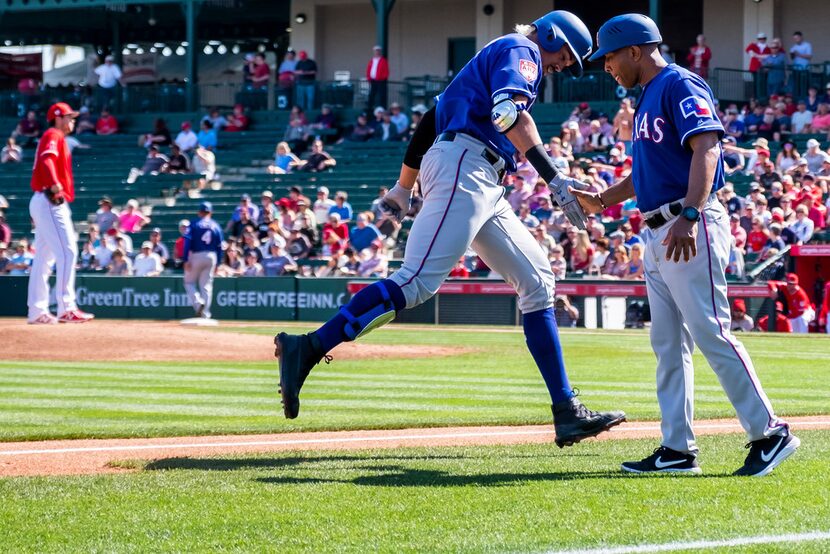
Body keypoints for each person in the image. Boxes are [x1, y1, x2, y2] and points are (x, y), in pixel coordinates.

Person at [273, 10, 625, 449]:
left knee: (538, 282)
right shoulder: (523, 49)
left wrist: (404, 188)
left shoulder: (499, 55)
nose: (562, 67)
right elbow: (507, 113)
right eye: (565, 56)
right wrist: (553, 178)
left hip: (480, 175)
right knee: (416, 283)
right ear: (551, 35)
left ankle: (566, 412)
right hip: (468, 165)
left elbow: (430, 119)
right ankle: (306, 347)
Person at [576, 13, 797, 477]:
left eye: (611, 57)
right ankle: (677, 448)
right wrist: (600, 199)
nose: (607, 66)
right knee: (667, 343)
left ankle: (771, 433)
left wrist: (691, 214)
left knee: (711, 332)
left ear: (635, 50)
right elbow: (644, 173)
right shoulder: (648, 95)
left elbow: (708, 147)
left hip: (686, 222)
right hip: (658, 228)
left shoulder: (679, 83)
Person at [26, 102, 95, 324]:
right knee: (68, 252)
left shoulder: (53, 135)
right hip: (49, 199)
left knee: (44, 259)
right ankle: (66, 307)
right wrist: (54, 184)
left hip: (42, 199)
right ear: (57, 117)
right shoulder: (54, 133)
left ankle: (36, 311)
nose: (72, 121)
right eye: (69, 117)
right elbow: (46, 160)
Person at [183, 201, 223, 319]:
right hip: (212, 256)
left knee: (188, 282)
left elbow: (187, 242)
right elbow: (220, 247)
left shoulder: (194, 224)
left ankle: (198, 302)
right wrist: (218, 262)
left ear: (199, 212)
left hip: (197, 254)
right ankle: (205, 314)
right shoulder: (216, 225)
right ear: (210, 212)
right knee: (206, 285)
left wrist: (186, 259)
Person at [366, 45, 390, 110]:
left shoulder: (383, 60)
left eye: (378, 51)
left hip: (381, 81)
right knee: (372, 95)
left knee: (382, 95)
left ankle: (382, 109)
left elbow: (386, 71)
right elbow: (368, 70)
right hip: (373, 80)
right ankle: (370, 108)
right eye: (376, 51)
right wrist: (368, 78)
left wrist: (382, 78)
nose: (377, 52)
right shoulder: (371, 61)